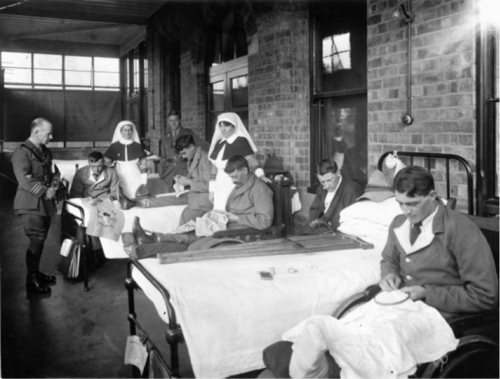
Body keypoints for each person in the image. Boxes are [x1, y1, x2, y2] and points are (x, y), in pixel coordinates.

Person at [260, 166, 498, 378]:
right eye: (401, 203)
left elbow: (485, 295)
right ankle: (321, 354)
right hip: (399, 302)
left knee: (383, 338)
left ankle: (327, 370)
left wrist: (426, 292)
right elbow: (388, 259)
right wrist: (389, 275)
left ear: (433, 196)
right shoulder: (398, 223)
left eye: (413, 204)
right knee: (356, 326)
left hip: (438, 313)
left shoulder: (461, 230)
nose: (406, 211)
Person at [128, 155, 274, 258]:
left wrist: (235, 218)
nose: (233, 180)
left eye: (235, 176)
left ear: (245, 170)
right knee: (191, 229)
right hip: (228, 225)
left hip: (238, 230)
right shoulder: (242, 183)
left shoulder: (260, 189)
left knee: (191, 240)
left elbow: (265, 221)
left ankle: (151, 242)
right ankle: (151, 239)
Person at [12, 118, 58, 294]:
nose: (51, 137)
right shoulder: (21, 153)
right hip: (30, 203)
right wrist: (45, 191)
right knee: (36, 239)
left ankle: (35, 273)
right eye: (49, 133)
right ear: (37, 132)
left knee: (41, 239)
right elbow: (24, 179)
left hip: (43, 202)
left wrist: (53, 186)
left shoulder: (44, 151)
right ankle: (31, 281)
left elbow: (52, 173)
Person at [138, 134, 215, 225]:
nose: (183, 157)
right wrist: (184, 180)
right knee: (170, 198)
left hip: (204, 198)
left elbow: (210, 186)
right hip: (195, 193)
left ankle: (177, 237)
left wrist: (189, 182)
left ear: (191, 147)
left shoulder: (206, 158)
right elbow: (197, 179)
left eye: (184, 153)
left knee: (185, 215)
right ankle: (139, 203)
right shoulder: (193, 157)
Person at [208, 112, 271, 211]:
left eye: (226, 126)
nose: (223, 129)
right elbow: (213, 170)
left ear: (234, 126)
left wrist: (261, 175)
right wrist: (211, 191)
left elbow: (252, 162)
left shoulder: (241, 141)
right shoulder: (219, 143)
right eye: (220, 126)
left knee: (232, 212)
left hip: (235, 184)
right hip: (219, 185)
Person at [302, 158, 362, 234]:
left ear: (338, 173)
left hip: (338, 231)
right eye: (322, 182)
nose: (326, 186)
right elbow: (315, 210)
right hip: (322, 226)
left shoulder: (350, 190)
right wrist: (312, 224)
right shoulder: (322, 187)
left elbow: (350, 221)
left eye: (329, 180)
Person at [159, 110, 209, 192]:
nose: (173, 123)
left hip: (184, 170)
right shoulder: (166, 137)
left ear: (180, 120)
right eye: (171, 121)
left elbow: (204, 146)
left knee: (184, 196)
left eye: (175, 120)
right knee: (170, 197)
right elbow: (163, 157)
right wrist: (162, 173)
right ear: (168, 122)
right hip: (169, 174)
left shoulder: (188, 133)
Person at [104, 120, 149, 199]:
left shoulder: (137, 146)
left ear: (132, 131)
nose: (128, 132)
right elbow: (106, 164)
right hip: (119, 175)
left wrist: (143, 182)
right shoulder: (114, 146)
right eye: (125, 130)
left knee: (136, 197)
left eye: (129, 130)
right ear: (120, 131)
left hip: (135, 176)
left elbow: (143, 165)